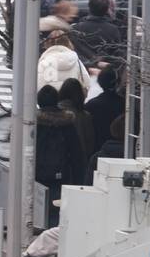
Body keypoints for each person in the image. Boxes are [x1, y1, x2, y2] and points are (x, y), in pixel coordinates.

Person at [35, 85, 85, 228]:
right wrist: (79, 180)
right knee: (57, 212)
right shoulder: (66, 123)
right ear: (57, 100)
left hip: (36, 176)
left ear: (39, 101)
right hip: (61, 175)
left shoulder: (32, 123)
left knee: (37, 213)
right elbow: (76, 154)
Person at [71, 0, 122, 68]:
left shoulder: (76, 29)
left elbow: (73, 52)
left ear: (89, 8)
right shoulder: (113, 30)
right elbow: (116, 53)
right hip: (105, 70)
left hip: (83, 68)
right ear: (106, 10)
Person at [57, 77, 94, 173]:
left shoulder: (55, 113)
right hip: (79, 161)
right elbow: (89, 142)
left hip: (58, 161)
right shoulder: (85, 116)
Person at [86, 65, 124, 153]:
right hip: (121, 149)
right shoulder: (124, 104)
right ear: (117, 82)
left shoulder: (91, 105)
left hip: (96, 149)